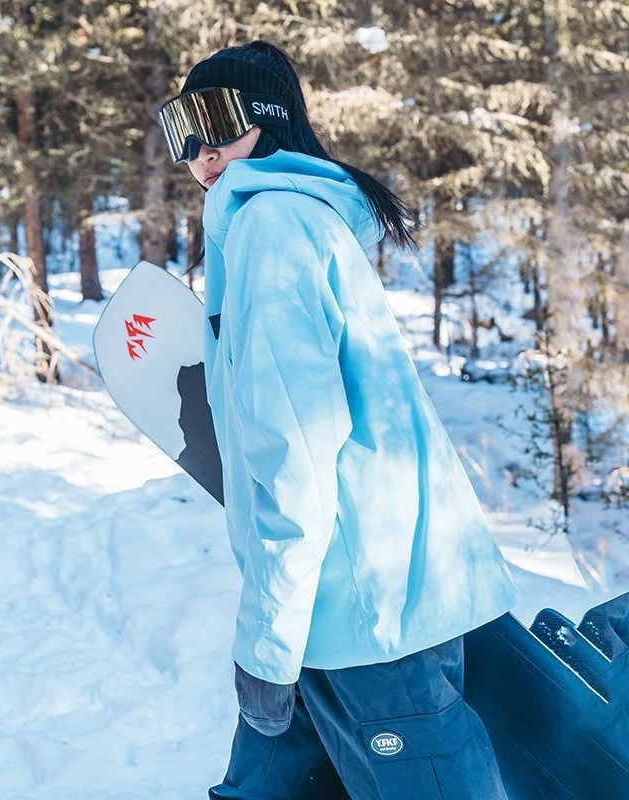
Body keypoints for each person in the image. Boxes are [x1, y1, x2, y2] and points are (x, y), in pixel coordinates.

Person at [158, 40, 519, 800]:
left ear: (268, 121)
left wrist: (266, 644)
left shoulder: (271, 231)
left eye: (215, 120)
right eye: (181, 128)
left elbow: (299, 458)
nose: (199, 149)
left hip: (362, 622)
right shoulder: (293, 224)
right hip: (342, 613)